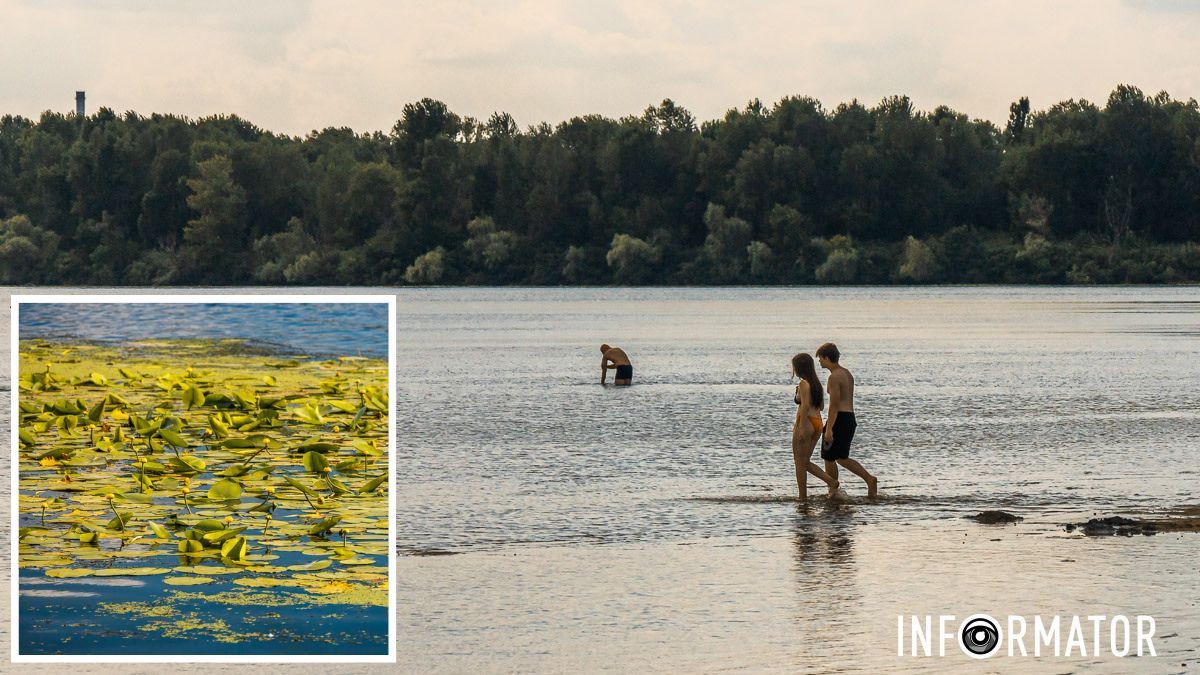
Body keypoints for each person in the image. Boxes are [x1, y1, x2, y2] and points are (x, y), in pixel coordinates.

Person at [817, 342, 878, 498]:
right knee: (842, 458)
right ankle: (869, 479)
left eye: (820, 359)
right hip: (849, 417)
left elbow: (834, 405)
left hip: (839, 418)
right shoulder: (847, 373)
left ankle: (833, 490)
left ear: (826, 357)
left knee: (829, 456)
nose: (819, 362)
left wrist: (829, 428)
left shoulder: (834, 376)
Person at [791, 353, 839, 500]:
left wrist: (803, 426)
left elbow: (805, 406)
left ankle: (803, 497)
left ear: (798, 368)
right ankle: (829, 481)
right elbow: (822, 406)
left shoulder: (803, 383)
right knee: (804, 461)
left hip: (805, 422)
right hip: (817, 422)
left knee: (799, 462)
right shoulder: (816, 384)